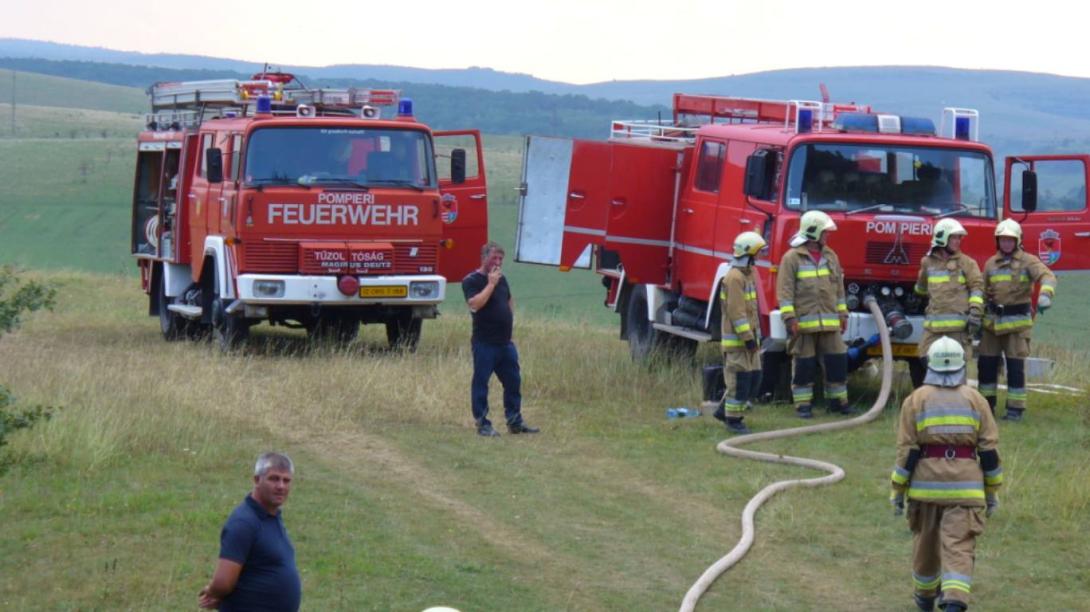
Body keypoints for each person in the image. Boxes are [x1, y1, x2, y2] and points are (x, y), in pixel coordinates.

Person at [890, 337, 1002, 612]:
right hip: (966, 489)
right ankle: (954, 602)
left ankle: (925, 599)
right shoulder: (976, 400)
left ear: (929, 364)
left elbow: (907, 452)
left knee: (925, 547)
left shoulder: (916, 400)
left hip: (925, 488)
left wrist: (898, 491)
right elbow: (989, 452)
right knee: (959, 547)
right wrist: (992, 493)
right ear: (963, 365)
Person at [199, 452, 301, 612]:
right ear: (256, 480)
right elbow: (223, 582)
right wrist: (212, 591)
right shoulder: (244, 522)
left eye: (286, 480)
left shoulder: (272, 517)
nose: (281, 486)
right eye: (274, 478)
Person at [978, 219, 1057, 422]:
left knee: (1015, 368)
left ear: (1017, 241)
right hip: (991, 325)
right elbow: (982, 292)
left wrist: (1045, 295)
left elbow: (1048, 276)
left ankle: (1015, 410)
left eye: (1010, 240)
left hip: (1016, 326)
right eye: (1003, 240)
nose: (1006, 243)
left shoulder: (1028, 261)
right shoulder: (990, 264)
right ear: (998, 241)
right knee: (986, 366)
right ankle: (986, 408)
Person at [776, 210, 851, 418]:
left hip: (829, 322)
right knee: (804, 365)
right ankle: (803, 405)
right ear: (813, 232)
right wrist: (790, 318)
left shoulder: (830, 256)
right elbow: (785, 292)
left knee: (837, 361)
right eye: (824, 232)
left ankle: (838, 402)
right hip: (803, 324)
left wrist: (842, 314)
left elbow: (839, 289)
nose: (827, 236)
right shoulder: (792, 258)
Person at [462, 242, 539, 437]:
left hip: (505, 343)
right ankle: (483, 423)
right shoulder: (472, 280)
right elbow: (475, 304)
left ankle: (514, 421)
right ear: (484, 258)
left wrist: (510, 324)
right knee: (481, 383)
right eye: (494, 258)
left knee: (513, 381)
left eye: (500, 259)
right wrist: (491, 284)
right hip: (485, 342)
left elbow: (509, 299)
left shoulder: (502, 280)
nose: (498, 263)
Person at [911, 218, 984, 388]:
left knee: (957, 364)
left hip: (957, 328)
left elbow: (977, 287)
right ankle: (933, 395)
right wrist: (917, 296)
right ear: (941, 238)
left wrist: (975, 311)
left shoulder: (967, 263)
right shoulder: (927, 262)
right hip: (933, 326)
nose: (958, 241)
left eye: (959, 238)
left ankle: (957, 402)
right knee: (923, 355)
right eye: (954, 237)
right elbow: (921, 288)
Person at [713, 231, 767, 434]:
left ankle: (722, 411)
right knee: (740, 381)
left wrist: (756, 337)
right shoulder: (734, 278)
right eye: (759, 253)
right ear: (749, 253)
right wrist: (748, 338)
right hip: (738, 342)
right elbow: (737, 313)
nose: (760, 256)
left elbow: (752, 309)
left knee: (754, 378)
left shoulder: (749, 273)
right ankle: (732, 420)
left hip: (750, 341)